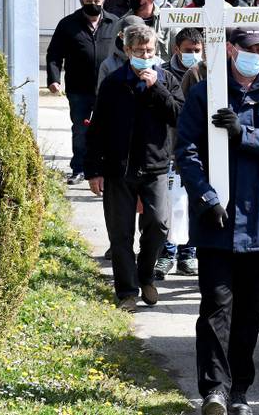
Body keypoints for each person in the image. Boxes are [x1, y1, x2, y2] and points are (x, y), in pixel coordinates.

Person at [176, 26, 259, 415]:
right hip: (217, 221)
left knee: (249, 311)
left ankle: (239, 391)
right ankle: (214, 389)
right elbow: (186, 151)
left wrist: (244, 133)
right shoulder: (206, 94)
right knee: (216, 306)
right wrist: (206, 197)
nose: (256, 54)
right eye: (249, 48)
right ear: (231, 50)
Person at [85, 23, 184, 313]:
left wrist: (158, 88)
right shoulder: (114, 82)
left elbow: (179, 114)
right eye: (139, 50)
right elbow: (98, 127)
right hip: (119, 168)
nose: (145, 55)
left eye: (149, 50)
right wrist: (93, 169)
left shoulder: (167, 79)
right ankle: (127, 291)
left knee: (159, 223)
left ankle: (146, 275)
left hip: (155, 165)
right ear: (127, 51)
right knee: (120, 233)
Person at [47, 0, 119, 184]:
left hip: (109, 88)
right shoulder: (68, 24)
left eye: (97, 1)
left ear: (103, 1)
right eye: (89, 1)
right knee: (81, 130)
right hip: (79, 88)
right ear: (81, 1)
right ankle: (79, 169)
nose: (93, 4)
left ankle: (106, 169)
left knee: (109, 129)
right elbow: (54, 54)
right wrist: (53, 80)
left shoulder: (115, 23)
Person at [155, 27, 205, 280]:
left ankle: (189, 254)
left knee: (193, 201)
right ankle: (167, 253)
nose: (194, 55)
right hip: (171, 146)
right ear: (177, 49)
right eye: (188, 51)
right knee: (171, 203)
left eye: (197, 51)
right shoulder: (163, 73)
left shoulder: (208, 72)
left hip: (198, 148)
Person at [98, 15, 148, 91]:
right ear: (122, 36)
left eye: (138, 35)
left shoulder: (156, 63)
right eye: (129, 35)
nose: (133, 39)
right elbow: (101, 98)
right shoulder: (108, 65)